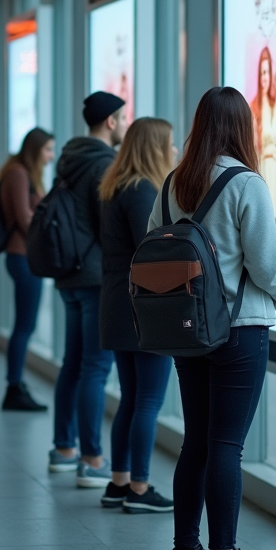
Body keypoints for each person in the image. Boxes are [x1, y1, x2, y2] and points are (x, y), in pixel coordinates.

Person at [153, 87, 276, 550]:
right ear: (242, 128)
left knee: (197, 441)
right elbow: (268, 265)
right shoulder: (245, 183)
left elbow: (157, 250)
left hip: (188, 331)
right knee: (227, 445)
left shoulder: (172, 183)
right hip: (240, 329)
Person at [96, 117, 176, 514]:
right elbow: (153, 249)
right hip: (141, 304)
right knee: (148, 399)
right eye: (170, 144)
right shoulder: (144, 190)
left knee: (130, 397)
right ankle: (140, 488)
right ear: (154, 148)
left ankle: (119, 482)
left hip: (115, 299)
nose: (175, 150)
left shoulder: (114, 187)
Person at [48, 91, 126, 488]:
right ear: (110, 121)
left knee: (73, 362)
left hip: (68, 274)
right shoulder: (104, 164)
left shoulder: (69, 159)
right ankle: (93, 458)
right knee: (96, 367)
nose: (126, 124)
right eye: (123, 117)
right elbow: (106, 224)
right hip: (95, 276)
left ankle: (64, 448)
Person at [0, 127, 56, 410]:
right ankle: (14, 385)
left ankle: (15, 383)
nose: (51, 156)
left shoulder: (22, 173)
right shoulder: (19, 174)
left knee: (24, 324)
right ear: (35, 150)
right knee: (24, 325)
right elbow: (24, 218)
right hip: (22, 256)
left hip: (24, 256)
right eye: (47, 150)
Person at [251, 47, 276, 253]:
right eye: (262, 73)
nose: (265, 77)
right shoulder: (254, 108)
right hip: (262, 168)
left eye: (268, 72)